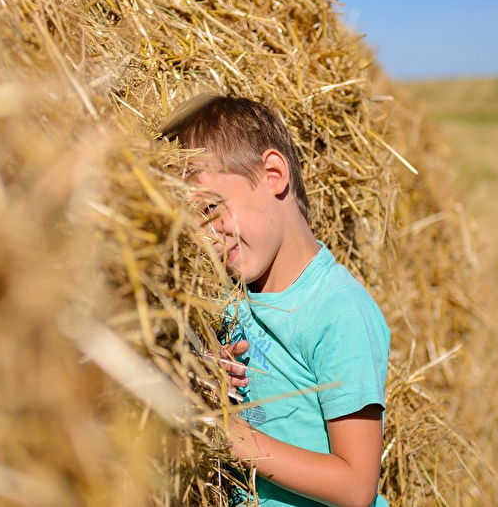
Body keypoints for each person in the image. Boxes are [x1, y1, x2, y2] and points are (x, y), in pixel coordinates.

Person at [159, 94, 390, 507]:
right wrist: (209, 377)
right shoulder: (229, 299)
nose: (207, 239)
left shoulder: (338, 311)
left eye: (210, 208)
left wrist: (233, 436)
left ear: (273, 175)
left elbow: (357, 487)